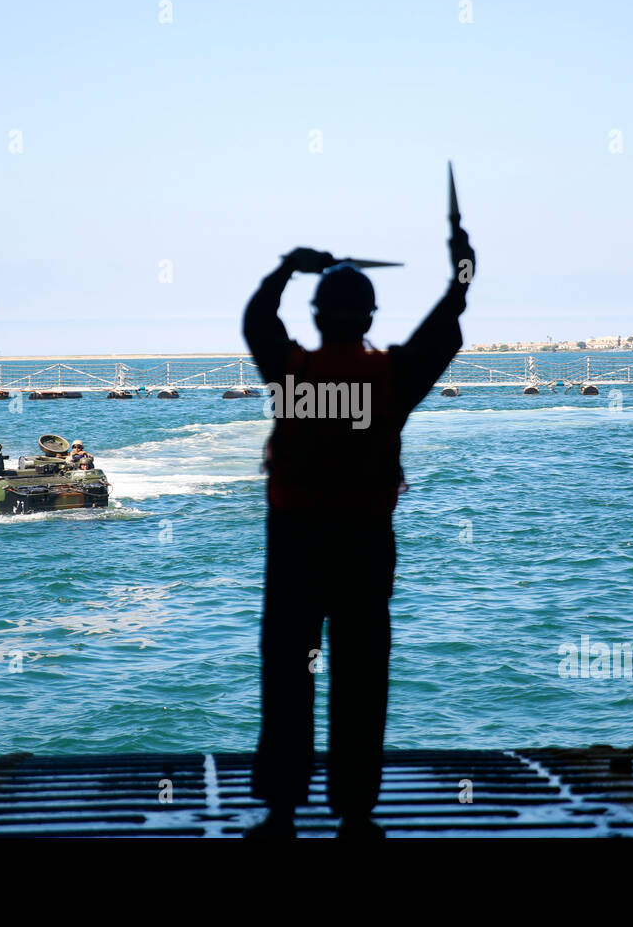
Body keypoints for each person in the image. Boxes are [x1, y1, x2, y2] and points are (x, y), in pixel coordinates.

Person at [242, 227, 475, 838]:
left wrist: (288, 266)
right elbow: (445, 326)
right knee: (361, 672)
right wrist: (462, 272)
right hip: (366, 544)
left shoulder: (289, 372)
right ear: (370, 315)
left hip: (294, 544)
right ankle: (355, 813)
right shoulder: (393, 379)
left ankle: (282, 810)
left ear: (316, 316)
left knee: (288, 669)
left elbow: (256, 319)